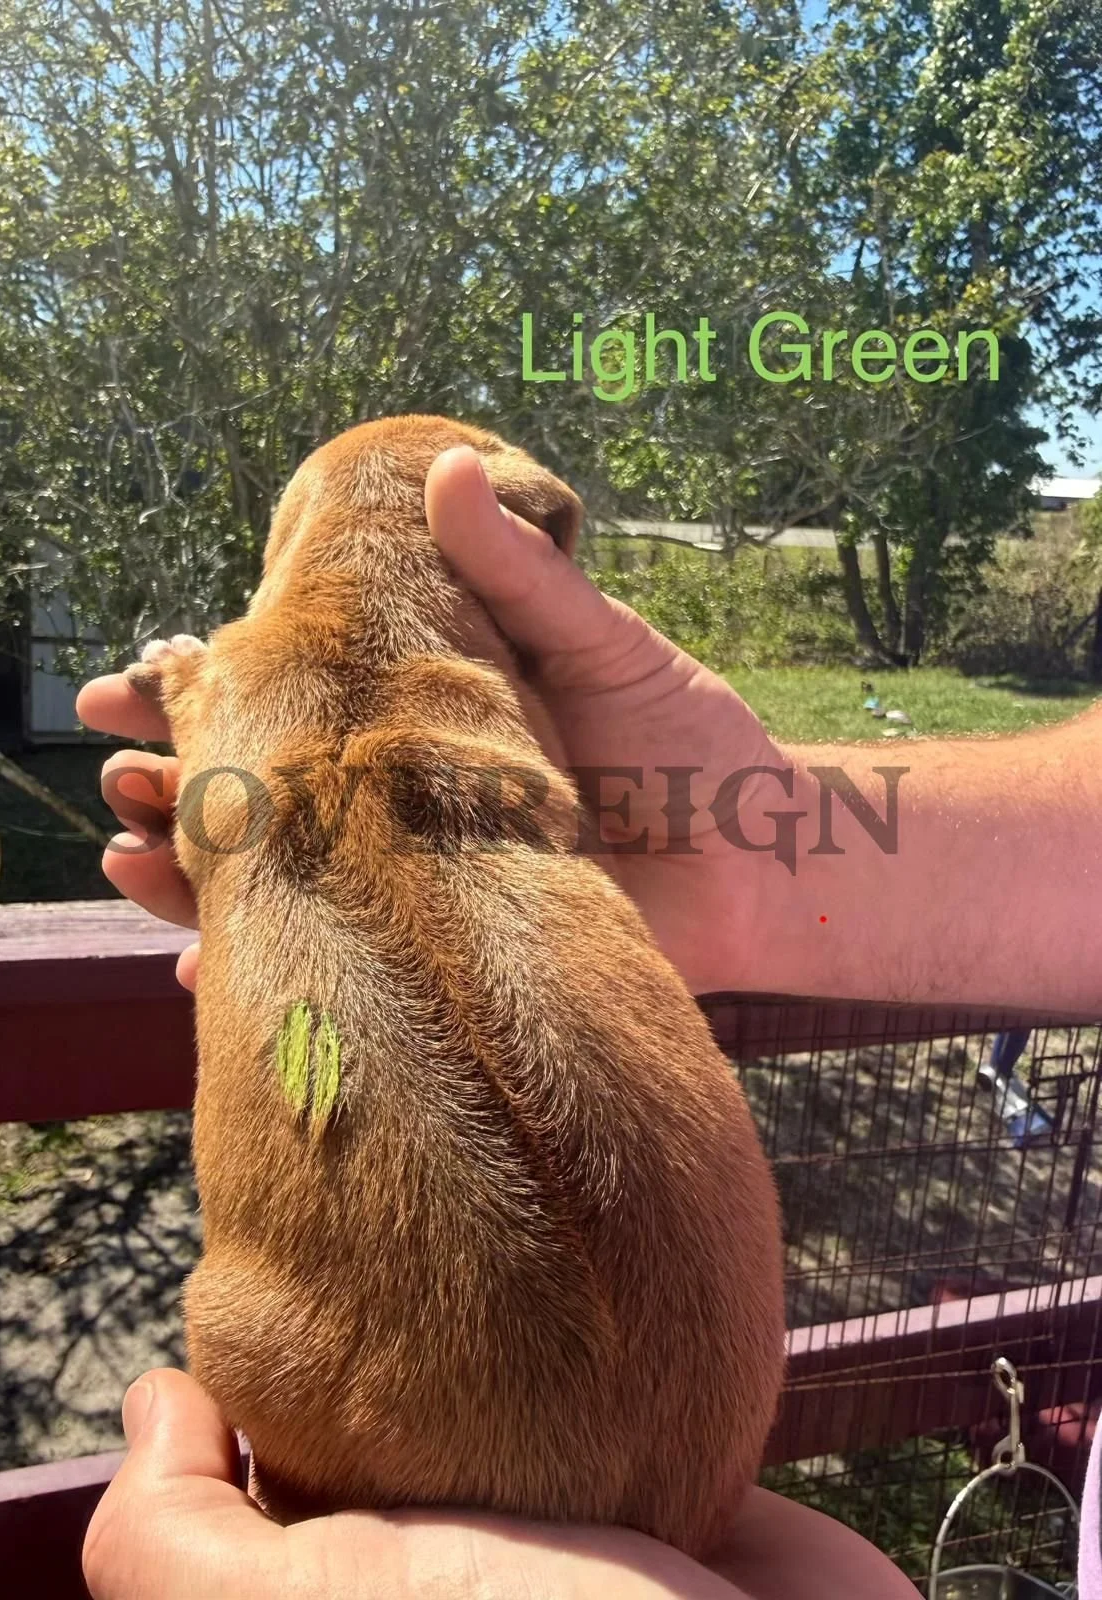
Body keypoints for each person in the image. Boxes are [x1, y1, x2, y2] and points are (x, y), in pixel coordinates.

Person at [76, 446, 1102, 1600]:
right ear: (529, 538)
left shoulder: (231, 688)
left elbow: (212, 695)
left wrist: (193, 681)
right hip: (695, 1454)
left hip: (415, 1470)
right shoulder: (498, 711)